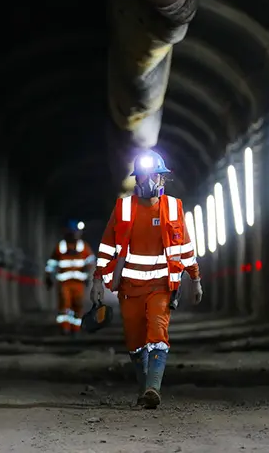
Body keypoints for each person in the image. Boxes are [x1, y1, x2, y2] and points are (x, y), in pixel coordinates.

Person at [91, 150, 203, 409]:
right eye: (143, 175)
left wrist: (195, 277)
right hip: (130, 288)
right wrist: (99, 279)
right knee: (135, 342)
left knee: (157, 333)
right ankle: (144, 389)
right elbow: (108, 246)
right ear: (137, 179)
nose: (149, 180)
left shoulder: (173, 207)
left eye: (154, 175)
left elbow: (185, 246)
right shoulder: (124, 207)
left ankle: (153, 387)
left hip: (161, 287)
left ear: (162, 179)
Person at [45, 220, 94, 334]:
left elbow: (91, 262)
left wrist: (89, 274)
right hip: (64, 283)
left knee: (78, 304)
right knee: (65, 304)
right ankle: (65, 327)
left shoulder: (83, 247)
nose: (75, 234)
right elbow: (51, 263)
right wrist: (48, 276)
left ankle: (75, 328)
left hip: (79, 283)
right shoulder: (60, 247)